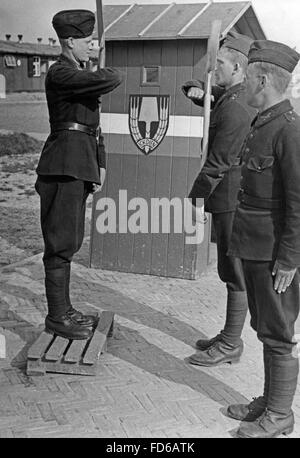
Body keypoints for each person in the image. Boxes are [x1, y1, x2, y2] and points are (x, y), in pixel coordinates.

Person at [226, 40, 300, 438]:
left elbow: (299, 203)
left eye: (249, 78)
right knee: (265, 328)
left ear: (264, 79)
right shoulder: (266, 123)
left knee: (278, 334)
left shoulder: (289, 131)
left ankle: (280, 416)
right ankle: (269, 403)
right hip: (255, 246)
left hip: (275, 254)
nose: (244, 87)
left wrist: (289, 259)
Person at [35, 9, 122, 340]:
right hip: (62, 166)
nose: (93, 46)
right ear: (69, 42)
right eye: (89, 41)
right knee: (60, 242)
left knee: (69, 239)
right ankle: (58, 316)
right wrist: (103, 59)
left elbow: (92, 126)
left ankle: (65, 310)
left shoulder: (77, 73)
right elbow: (111, 78)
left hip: (77, 163)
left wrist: (99, 162)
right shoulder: (61, 73)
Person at [182, 32, 256, 366]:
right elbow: (218, 96)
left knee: (233, 269)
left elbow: (217, 163)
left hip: (230, 197)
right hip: (230, 196)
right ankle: (229, 336)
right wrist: (198, 89)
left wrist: (194, 200)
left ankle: (230, 344)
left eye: (221, 63)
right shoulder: (235, 96)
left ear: (238, 67)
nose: (216, 68)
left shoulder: (237, 108)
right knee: (230, 268)